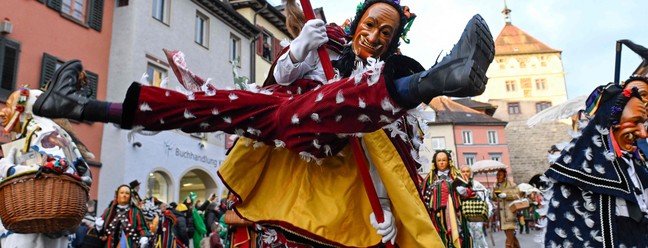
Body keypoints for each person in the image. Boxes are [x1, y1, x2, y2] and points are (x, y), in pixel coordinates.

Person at [33, 0, 494, 246]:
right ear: (357, 21)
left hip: (343, 178)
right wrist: (297, 50)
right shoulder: (325, 46)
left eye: (385, 33)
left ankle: (433, 80)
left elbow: (396, 158)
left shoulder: (386, 77)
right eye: (369, 24)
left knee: (349, 100)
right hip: (291, 132)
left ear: (394, 42)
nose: (372, 36)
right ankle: (81, 106)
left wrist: (390, 210)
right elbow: (275, 80)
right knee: (213, 104)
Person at [543, 48, 648, 246]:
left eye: (644, 123)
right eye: (635, 122)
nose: (644, 133)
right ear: (610, 124)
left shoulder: (638, 169)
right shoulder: (574, 175)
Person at [420, 150, 472, 247]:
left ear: (448, 161)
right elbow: (422, 194)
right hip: (436, 215)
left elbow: (470, 191)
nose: (441, 162)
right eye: (439, 160)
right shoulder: (430, 178)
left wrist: (464, 191)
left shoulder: (457, 175)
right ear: (435, 162)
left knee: (459, 236)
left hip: (456, 213)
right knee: (440, 236)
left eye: (444, 160)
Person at [460, 165, 493, 248]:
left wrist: (488, 211)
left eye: (467, 171)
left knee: (478, 235)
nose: (465, 173)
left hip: (476, 214)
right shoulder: (458, 184)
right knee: (467, 237)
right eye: (463, 171)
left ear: (470, 173)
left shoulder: (476, 184)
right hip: (463, 215)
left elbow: (485, 197)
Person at [493, 169, 521, 248]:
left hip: (510, 215)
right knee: (512, 238)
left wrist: (506, 195)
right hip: (502, 217)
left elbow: (518, 196)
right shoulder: (497, 186)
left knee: (509, 240)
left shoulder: (512, 185)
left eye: (500, 175)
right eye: (497, 175)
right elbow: (494, 198)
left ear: (505, 176)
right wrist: (494, 191)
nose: (498, 177)